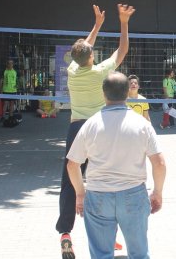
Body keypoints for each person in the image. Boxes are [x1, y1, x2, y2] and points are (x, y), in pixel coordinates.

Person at [56, 4, 134, 259]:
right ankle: (106, 237)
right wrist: (123, 21)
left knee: (69, 181)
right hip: (99, 129)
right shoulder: (100, 71)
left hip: (76, 128)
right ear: (91, 57)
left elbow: (83, 49)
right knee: (102, 181)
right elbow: (122, 50)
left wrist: (98, 25)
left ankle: (65, 232)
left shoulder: (72, 70)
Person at [66, 72, 166, 259]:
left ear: (103, 94)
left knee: (101, 254)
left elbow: (72, 165)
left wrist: (80, 194)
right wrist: (157, 192)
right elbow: (159, 163)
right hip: (133, 194)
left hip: (98, 196)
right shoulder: (142, 124)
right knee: (139, 254)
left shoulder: (91, 124)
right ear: (128, 92)